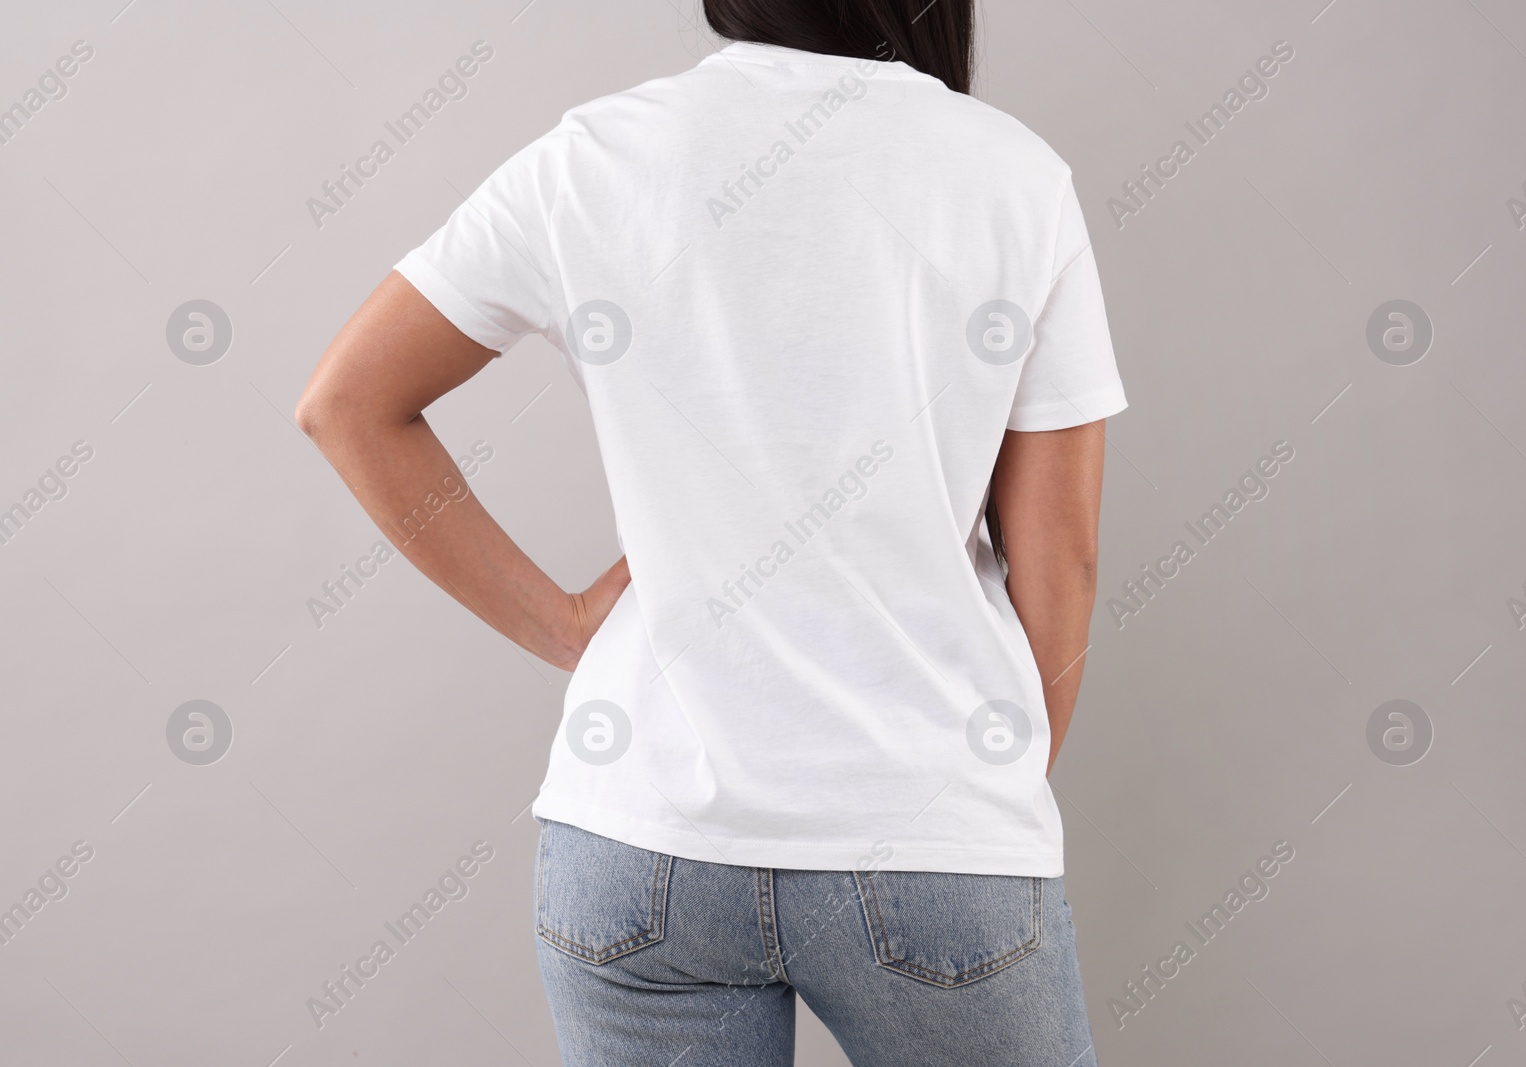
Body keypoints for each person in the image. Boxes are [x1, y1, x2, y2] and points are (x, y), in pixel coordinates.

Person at [296, 1, 1127, 1063]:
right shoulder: (1012, 177)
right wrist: (988, 795)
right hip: (924, 826)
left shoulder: (600, 154)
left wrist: (564, 626)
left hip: (639, 844)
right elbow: (1062, 552)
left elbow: (346, 403)